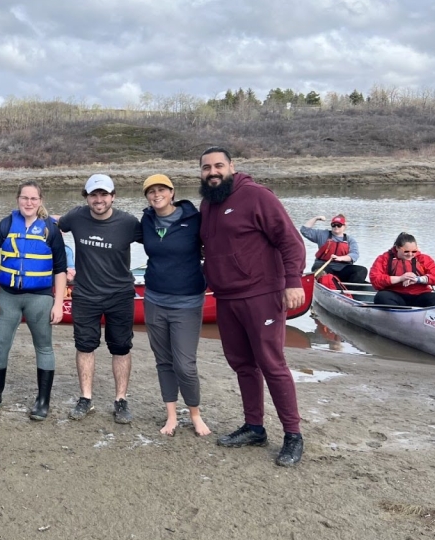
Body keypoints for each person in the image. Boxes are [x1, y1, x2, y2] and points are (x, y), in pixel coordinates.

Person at [198, 147, 306, 467]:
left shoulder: (257, 196)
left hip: (262, 294)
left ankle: (293, 435)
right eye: (206, 168)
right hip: (227, 297)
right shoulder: (207, 205)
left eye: (219, 165)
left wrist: (293, 282)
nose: (213, 172)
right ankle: (255, 427)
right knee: (242, 364)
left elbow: (290, 241)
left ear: (232, 166)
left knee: (272, 363)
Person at [0, 181, 67, 420]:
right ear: (18, 199)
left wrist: (58, 303)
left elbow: (60, 269)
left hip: (40, 298)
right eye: (24, 198)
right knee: (0, 345)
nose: (29, 203)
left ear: (40, 201)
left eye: (33, 199)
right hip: (7, 296)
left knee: (44, 347)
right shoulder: (5, 225)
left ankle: (42, 401)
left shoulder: (50, 229)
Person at [57, 174, 142, 423]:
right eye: (94, 195)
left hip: (120, 295)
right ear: (87, 198)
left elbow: (159, 243)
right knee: (85, 346)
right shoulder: (76, 216)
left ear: (113, 196)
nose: (99, 199)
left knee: (121, 347)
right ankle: (85, 398)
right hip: (85, 294)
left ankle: (121, 400)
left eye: (104, 194)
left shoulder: (128, 222)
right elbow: (54, 227)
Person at [140, 174, 210, 437]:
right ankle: (171, 416)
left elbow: (218, 243)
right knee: (164, 361)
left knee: (185, 364)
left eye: (161, 190)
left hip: (187, 302)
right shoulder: (146, 221)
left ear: (172, 192)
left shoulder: (194, 220)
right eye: (151, 192)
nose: (156, 195)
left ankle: (195, 414)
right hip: (154, 300)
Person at [369, 233, 435, 307]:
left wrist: (418, 279)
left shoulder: (423, 259)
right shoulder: (384, 258)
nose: (410, 254)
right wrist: (400, 278)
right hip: (394, 295)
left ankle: (427, 318)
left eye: (414, 251)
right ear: (397, 248)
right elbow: (375, 280)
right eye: (406, 251)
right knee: (381, 297)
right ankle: (396, 318)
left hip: (420, 296)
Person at [300, 214, 367, 284]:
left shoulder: (350, 240)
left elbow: (354, 255)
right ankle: (328, 285)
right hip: (324, 266)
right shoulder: (322, 235)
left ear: (344, 226)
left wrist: (340, 258)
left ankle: (348, 290)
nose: (336, 227)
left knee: (362, 270)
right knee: (320, 271)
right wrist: (316, 218)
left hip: (343, 269)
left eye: (339, 225)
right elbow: (304, 230)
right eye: (333, 225)